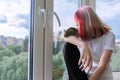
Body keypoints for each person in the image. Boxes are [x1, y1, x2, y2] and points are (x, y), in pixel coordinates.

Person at [65, 6, 116, 80]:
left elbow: (101, 66)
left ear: (85, 23)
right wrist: (83, 45)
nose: (77, 27)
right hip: (85, 76)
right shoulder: (80, 34)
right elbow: (66, 37)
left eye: (78, 24)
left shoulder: (109, 36)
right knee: (68, 46)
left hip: (102, 78)